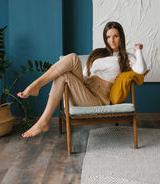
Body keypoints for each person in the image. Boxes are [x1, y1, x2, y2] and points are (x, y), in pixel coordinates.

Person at [17, 21, 147, 138]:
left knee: (65, 73)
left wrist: (138, 50)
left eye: (115, 36)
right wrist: (78, 83)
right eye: (108, 37)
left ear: (121, 37)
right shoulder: (98, 53)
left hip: (98, 97)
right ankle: (38, 88)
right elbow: (85, 73)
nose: (111, 40)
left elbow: (141, 70)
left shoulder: (126, 58)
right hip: (85, 87)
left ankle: (42, 113)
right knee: (72, 60)